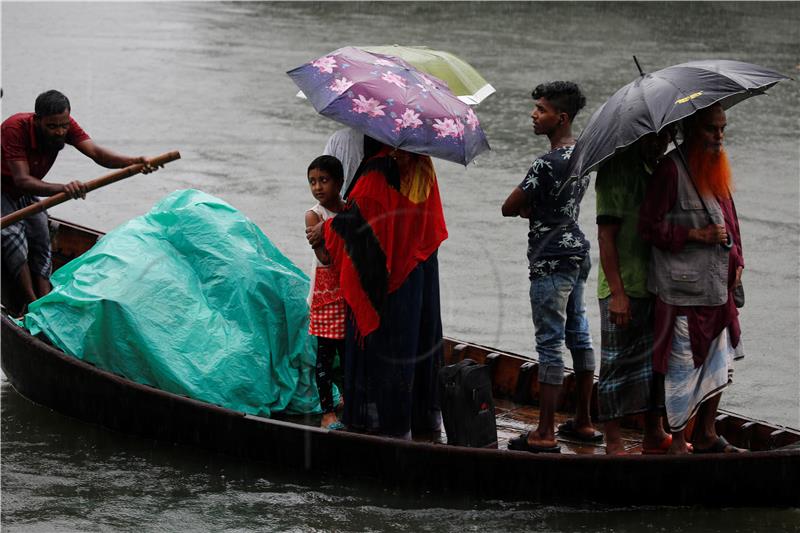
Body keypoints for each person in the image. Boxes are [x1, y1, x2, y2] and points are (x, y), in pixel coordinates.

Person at [306, 137, 448, 439]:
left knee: (387, 348)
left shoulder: (376, 172)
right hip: (421, 268)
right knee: (419, 342)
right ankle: (423, 422)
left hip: (392, 280)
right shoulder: (423, 164)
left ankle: (386, 426)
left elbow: (365, 229)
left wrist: (327, 227)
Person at [638, 103, 746, 454]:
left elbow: (731, 223)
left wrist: (739, 259)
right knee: (681, 368)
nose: (719, 137)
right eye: (711, 130)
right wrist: (695, 236)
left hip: (718, 288)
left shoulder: (717, 168)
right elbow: (649, 228)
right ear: (691, 131)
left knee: (720, 359)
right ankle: (679, 441)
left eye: (722, 129)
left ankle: (708, 434)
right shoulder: (670, 171)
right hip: (682, 290)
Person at [501, 81, 598, 453]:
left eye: (540, 109)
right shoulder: (583, 155)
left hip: (550, 258)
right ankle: (585, 422)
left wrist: (529, 208)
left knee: (550, 343)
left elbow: (509, 206)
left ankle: (544, 432)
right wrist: (535, 207)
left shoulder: (545, 163)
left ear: (561, 118)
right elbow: (557, 204)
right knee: (580, 334)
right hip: (577, 252)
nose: (533, 114)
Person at [1, 90, 156, 313]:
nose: (60, 132)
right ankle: (31, 303)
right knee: (12, 235)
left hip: (22, 191)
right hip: (5, 186)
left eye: (63, 126)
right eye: (52, 127)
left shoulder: (65, 124)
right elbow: (22, 180)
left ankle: (46, 300)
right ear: (37, 121)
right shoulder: (15, 128)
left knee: (41, 232)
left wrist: (134, 162)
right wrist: (64, 188)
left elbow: (96, 153)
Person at [595, 132, 673, 455]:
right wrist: (618, 294)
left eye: (666, 136)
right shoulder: (616, 169)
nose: (660, 143)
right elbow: (605, 236)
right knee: (616, 364)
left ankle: (654, 432)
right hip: (623, 285)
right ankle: (613, 440)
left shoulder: (657, 169)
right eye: (653, 137)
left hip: (655, 283)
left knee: (656, 365)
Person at [304, 155, 347, 430]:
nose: (318, 187)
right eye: (312, 182)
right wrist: (340, 227)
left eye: (324, 180)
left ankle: (347, 399)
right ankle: (327, 413)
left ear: (339, 182)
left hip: (347, 291)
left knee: (349, 354)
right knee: (325, 357)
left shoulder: (348, 210)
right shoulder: (314, 215)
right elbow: (327, 257)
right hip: (325, 293)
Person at [323, 128, 363, 198]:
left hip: (340, 200)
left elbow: (323, 170)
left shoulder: (337, 138)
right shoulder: (383, 141)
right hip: (368, 200)